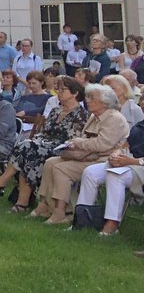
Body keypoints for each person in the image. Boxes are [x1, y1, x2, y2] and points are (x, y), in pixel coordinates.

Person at [0, 76, 88, 211]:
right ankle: (21, 203)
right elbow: (43, 132)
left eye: (63, 90)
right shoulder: (56, 110)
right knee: (28, 152)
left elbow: (72, 140)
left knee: (28, 148)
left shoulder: (81, 115)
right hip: (42, 146)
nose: (59, 93)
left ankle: (2, 186)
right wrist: (38, 141)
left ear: (75, 93)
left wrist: (40, 143)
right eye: (57, 90)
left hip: (61, 149)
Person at [34, 83, 129, 224]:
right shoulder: (94, 116)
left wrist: (78, 142)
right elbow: (87, 139)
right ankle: (44, 205)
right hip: (87, 156)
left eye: (92, 98)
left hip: (103, 160)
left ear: (104, 102)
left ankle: (62, 212)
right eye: (88, 97)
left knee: (61, 169)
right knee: (50, 163)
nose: (87, 100)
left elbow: (102, 144)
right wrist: (74, 144)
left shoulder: (114, 119)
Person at [75, 117, 144, 236]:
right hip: (127, 162)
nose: (142, 103)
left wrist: (131, 161)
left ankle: (112, 224)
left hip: (140, 167)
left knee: (115, 175)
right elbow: (124, 145)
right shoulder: (140, 125)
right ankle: (82, 219)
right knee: (90, 172)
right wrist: (116, 155)